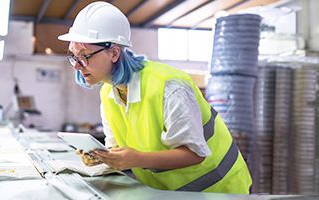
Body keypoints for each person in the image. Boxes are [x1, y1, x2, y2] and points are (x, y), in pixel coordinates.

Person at [58, 1, 252, 194]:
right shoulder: (108, 93)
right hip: (169, 193)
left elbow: (195, 155)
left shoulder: (169, 86)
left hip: (220, 190)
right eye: (74, 56)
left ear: (114, 53)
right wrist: (102, 157)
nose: (77, 65)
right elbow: (117, 148)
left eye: (84, 56)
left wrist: (136, 159)